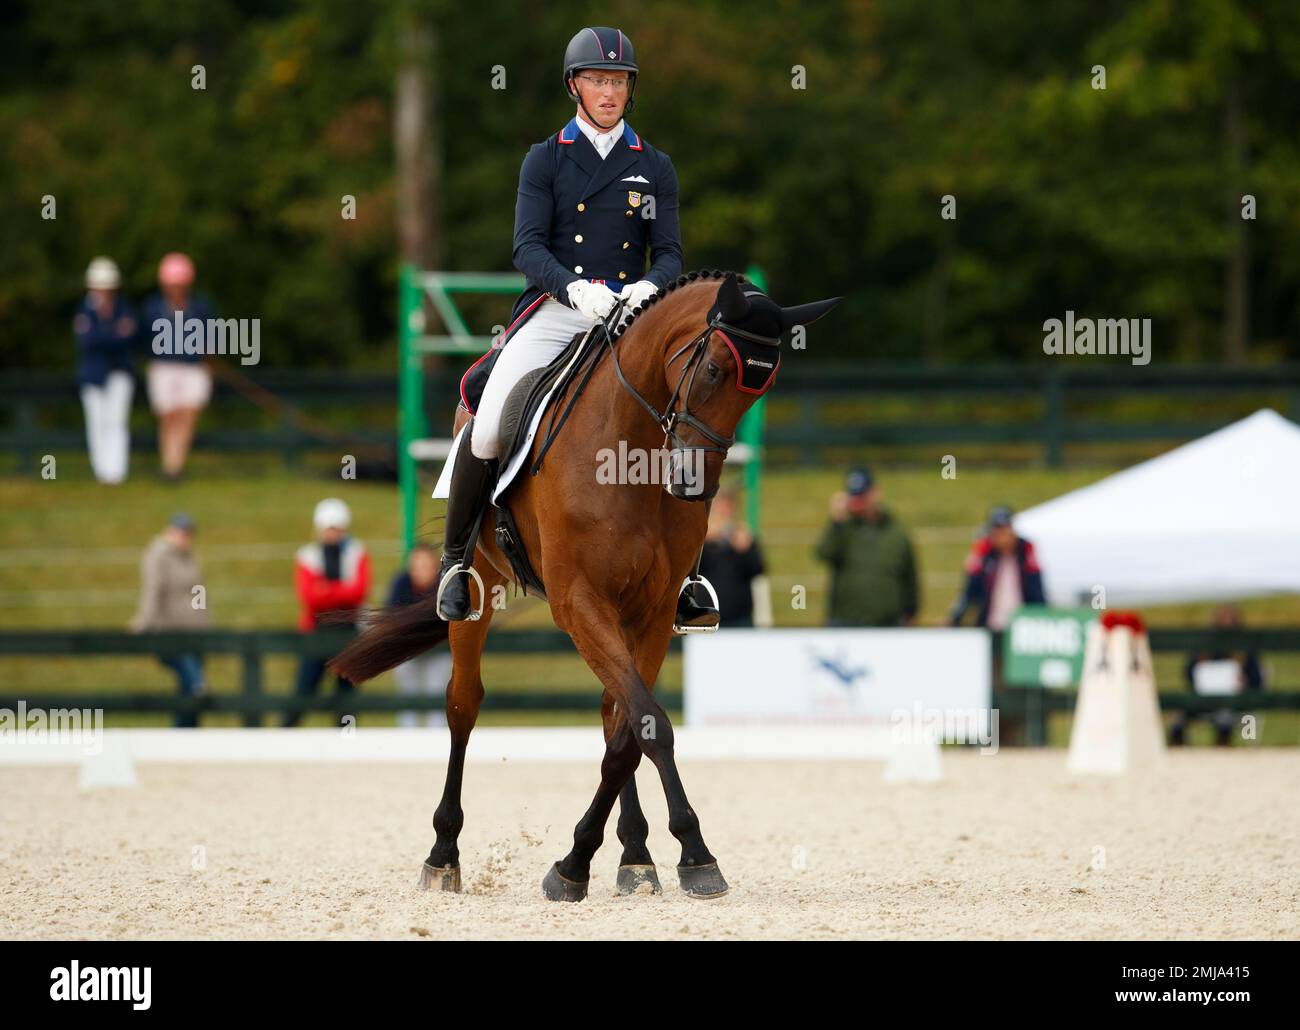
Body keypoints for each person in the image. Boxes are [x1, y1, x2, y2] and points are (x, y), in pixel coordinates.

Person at [434, 26, 714, 633]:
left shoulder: (654, 166)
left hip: (632, 312)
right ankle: (456, 563)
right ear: (575, 86)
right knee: (488, 424)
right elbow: (526, 247)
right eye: (597, 79)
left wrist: (651, 287)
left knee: (687, 412)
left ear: (629, 89)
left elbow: (667, 252)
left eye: (617, 81)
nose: (608, 91)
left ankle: (689, 573)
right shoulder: (547, 158)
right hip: (559, 308)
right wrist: (576, 289)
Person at [286, 498, 370, 727]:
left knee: (346, 691)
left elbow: (359, 592)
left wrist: (326, 590)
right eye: (329, 529)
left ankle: (345, 740)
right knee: (304, 688)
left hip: (348, 633)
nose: (333, 534)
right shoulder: (308, 556)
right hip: (317, 633)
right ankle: (284, 735)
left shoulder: (356, 552)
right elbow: (310, 598)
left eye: (336, 529)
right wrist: (341, 593)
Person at [140, 252, 215, 481]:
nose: (175, 289)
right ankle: (170, 466)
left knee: (187, 413)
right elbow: (144, 340)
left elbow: (210, 338)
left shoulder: (201, 306)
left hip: (193, 368)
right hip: (163, 368)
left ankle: (174, 467)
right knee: (169, 416)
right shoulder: (152, 308)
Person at [129, 513, 209, 727]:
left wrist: (204, 623)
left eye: (188, 533)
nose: (185, 537)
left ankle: (185, 732)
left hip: (193, 632)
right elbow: (152, 591)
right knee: (192, 678)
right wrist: (143, 623)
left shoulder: (190, 558)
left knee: (187, 687)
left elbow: (198, 591)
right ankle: (183, 729)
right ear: (170, 531)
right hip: (169, 631)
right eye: (181, 532)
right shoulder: (158, 557)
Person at [814, 466, 919, 627]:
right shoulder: (843, 528)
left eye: (863, 496)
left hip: (887, 624)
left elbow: (910, 577)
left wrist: (911, 612)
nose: (859, 503)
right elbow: (823, 554)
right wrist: (836, 522)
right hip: (845, 622)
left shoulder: (896, 531)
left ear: (875, 493)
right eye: (854, 496)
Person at [74, 257, 137, 484]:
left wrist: (108, 336)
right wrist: (114, 334)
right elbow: (88, 341)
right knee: (96, 422)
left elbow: (129, 336)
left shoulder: (123, 307)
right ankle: (101, 471)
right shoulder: (85, 309)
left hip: (119, 373)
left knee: (116, 422)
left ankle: (116, 472)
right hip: (93, 375)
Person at [1172, 604, 1264, 747]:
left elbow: (1257, 680)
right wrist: (1199, 671)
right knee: (1178, 719)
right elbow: (1189, 674)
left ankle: (1230, 754)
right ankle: (1178, 753)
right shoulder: (1204, 647)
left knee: (1231, 718)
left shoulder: (1245, 650)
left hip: (1236, 702)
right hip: (1205, 700)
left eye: (1230, 621)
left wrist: (1245, 682)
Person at [949, 505, 1045, 629]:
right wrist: (955, 618)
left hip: (1020, 627)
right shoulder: (984, 553)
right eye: (997, 530)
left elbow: (1036, 591)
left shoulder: (1026, 552)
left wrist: (1040, 618)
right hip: (990, 624)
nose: (1001, 536)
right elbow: (969, 591)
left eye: (1004, 530)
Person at [387, 544, 452, 727]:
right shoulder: (401, 583)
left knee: (437, 697)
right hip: (407, 651)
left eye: (426, 565)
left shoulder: (444, 584)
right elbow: (392, 616)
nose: (421, 571)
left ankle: (438, 739)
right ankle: (407, 739)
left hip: (438, 650)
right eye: (417, 566)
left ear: (435, 567)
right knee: (408, 697)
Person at [697, 487, 767, 627]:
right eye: (718, 508)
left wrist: (745, 550)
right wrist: (702, 542)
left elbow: (758, 570)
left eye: (726, 508)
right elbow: (689, 572)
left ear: (733, 510)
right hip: (706, 614)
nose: (722, 513)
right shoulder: (700, 538)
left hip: (740, 616)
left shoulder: (742, 535)